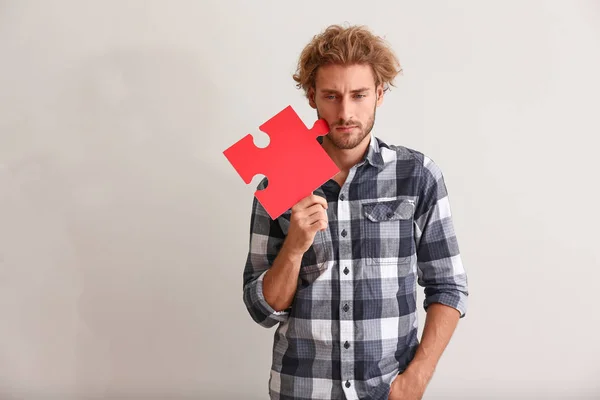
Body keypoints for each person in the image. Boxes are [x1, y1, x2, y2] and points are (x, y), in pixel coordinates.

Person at [242, 23, 469, 400]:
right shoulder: (277, 182)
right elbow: (263, 309)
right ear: (312, 97)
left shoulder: (417, 175)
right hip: (302, 389)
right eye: (331, 96)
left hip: (387, 391)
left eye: (358, 95)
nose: (345, 112)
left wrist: (417, 378)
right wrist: (295, 248)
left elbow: (449, 285)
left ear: (379, 94)